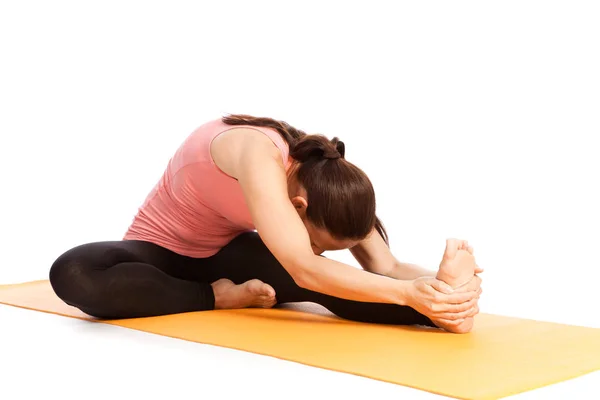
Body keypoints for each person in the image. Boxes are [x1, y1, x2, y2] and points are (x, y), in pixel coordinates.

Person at [49, 115, 483, 333]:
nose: (321, 252)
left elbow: (385, 270)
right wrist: (407, 292)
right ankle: (215, 298)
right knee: (75, 273)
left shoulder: (332, 185)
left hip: (230, 254)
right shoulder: (257, 153)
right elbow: (303, 264)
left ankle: (440, 314)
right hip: (159, 257)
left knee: (337, 286)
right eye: (321, 243)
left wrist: (439, 290)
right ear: (297, 206)